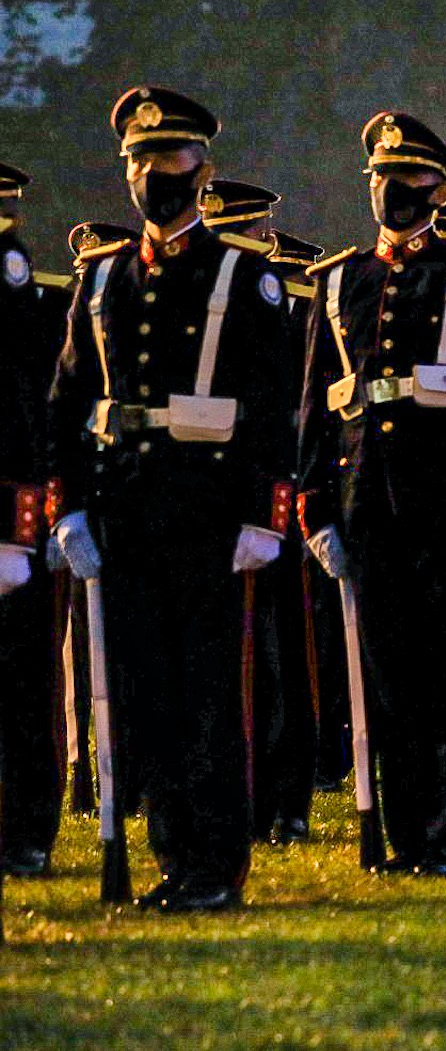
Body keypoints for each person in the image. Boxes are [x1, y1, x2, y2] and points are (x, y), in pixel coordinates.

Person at [46, 86, 297, 911]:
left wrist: (264, 515)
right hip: (125, 506)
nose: (155, 174)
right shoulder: (102, 279)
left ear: (202, 170)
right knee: (144, 694)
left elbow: (272, 406)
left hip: (210, 510)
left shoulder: (243, 276)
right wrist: (67, 507)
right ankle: (170, 855)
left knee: (210, 697)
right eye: (141, 160)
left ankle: (214, 867)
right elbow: (70, 403)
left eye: (171, 158)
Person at [298, 112, 446, 876]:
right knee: (388, 679)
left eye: (409, 177)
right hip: (368, 499)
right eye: (381, 176)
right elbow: (317, 404)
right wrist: (316, 506)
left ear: (441, 190)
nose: (392, 189)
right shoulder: (339, 280)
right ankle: (405, 834)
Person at [196, 179, 330, 844]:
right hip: (205, 493)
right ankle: (233, 794)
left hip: (274, 490)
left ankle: (288, 795)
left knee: (284, 654)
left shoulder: (291, 301)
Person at [0, 161, 63, 879]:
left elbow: (20, 402)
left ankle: (23, 831)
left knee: (20, 679)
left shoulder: (11, 274)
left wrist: (17, 523)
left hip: (6, 510)